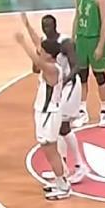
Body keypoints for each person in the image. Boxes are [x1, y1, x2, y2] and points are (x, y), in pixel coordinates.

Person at [21, 12, 87, 185]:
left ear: (55, 25)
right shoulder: (46, 45)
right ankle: (62, 168)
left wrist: (62, 82)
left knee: (63, 127)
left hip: (69, 85)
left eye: (48, 26)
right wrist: (27, 26)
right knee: (57, 130)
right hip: (58, 85)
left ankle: (80, 166)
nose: (46, 29)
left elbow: (77, 66)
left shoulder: (65, 42)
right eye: (43, 26)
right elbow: (36, 59)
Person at [14, 25, 71, 201]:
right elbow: (39, 46)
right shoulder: (52, 64)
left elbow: (37, 62)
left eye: (43, 51)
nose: (40, 51)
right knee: (48, 149)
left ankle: (63, 186)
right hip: (46, 112)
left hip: (49, 113)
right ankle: (60, 179)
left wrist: (23, 43)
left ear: (49, 54)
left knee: (50, 150)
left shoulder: (51, 69)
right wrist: (27, 27)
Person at [70, 0, 105, 128]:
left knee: (100, 76)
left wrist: (101, 45)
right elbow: (77, 16)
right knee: (82, 77)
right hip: (81, 39)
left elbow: (104, 22)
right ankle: (82, 112)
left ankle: (104, 111)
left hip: (94, 39)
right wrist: (73, 39)